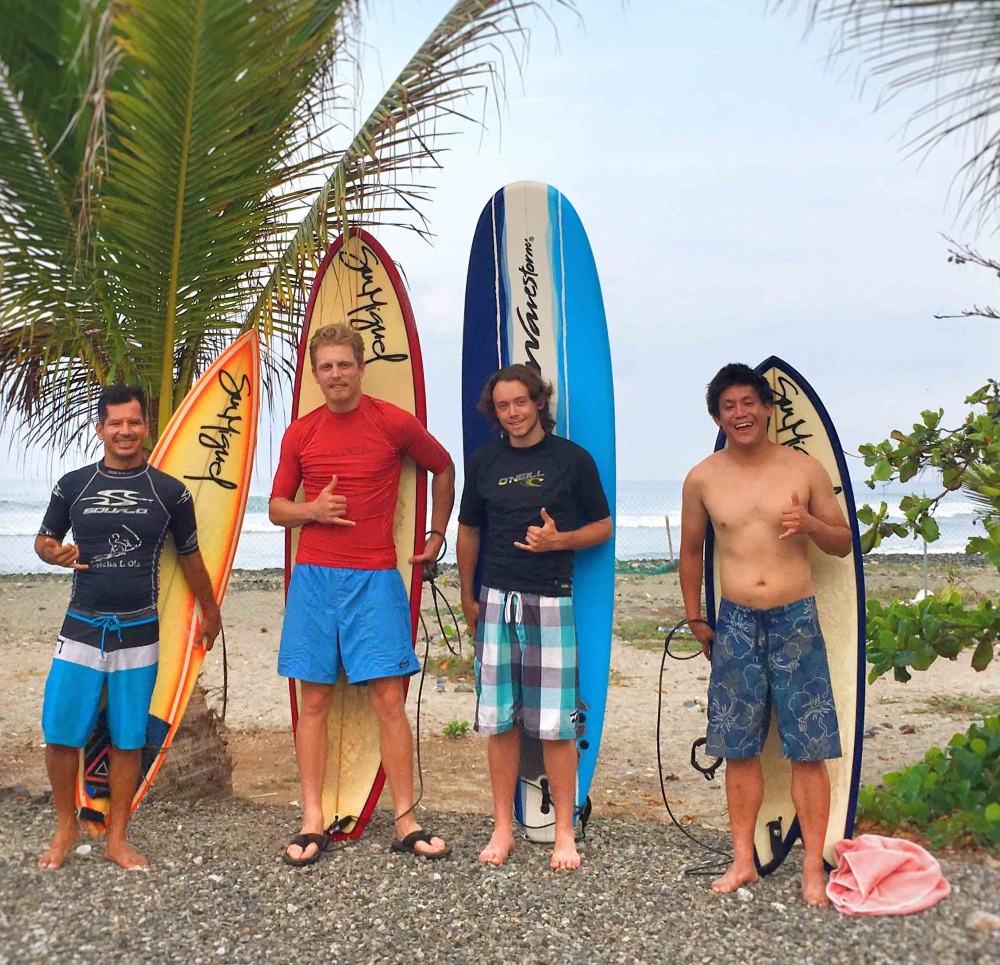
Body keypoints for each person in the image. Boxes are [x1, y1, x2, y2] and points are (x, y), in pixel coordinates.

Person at [270, 322, 455, 866]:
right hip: (314, 579)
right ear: (316, 374)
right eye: (325, 367)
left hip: (375, 578)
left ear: (360, 366)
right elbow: (277, 508)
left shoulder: (393, 422)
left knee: (388, 702)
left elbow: (443, 467)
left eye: (344, 364)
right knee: (316, 701)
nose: (336, 375)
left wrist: (436, 533)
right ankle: (312, 820)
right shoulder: (301, 432)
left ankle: (405, 821)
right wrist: (312, 511)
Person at [679, 362, 851, 906]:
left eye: (748, 403)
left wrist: (811, 526)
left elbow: (843, 543)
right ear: (717, 416)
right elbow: (689, 551)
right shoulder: (703, 477)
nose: (740, 414)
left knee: (809, 747)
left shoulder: (803, 469)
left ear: (767, 408)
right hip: (734, 621)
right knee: (737, 747)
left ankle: (812, 871)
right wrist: (696, 615)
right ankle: (742, 862)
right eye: (728, 407)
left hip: (794, 617)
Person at [35, 385, 221, 870]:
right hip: (81, 626)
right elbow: (45, 539)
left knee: (128, 738)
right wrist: (53, 554)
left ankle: (118, 837)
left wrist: (211, 611)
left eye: (133, 422)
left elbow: (192, 558)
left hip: (139, 630)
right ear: (100, 429)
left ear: (145, 428)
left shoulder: (170, 492)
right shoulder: (73, 485)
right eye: (115, 423)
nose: (124, 430)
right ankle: (65, 827)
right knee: (59, 731)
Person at [456, 364, 613, 871]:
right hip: (496, 597)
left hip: (550, 600)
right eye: (503, 406)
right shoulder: (484, 461)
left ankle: (564, 833)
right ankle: (503, 827)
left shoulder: (572, 460)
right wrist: (467, 596)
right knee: (499, 721)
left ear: (539, 402)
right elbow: (469, 533)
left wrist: (559, 540)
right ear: (494, 411)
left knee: (556, 726)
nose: (513, 413)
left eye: (520, 402)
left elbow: (604, 527)